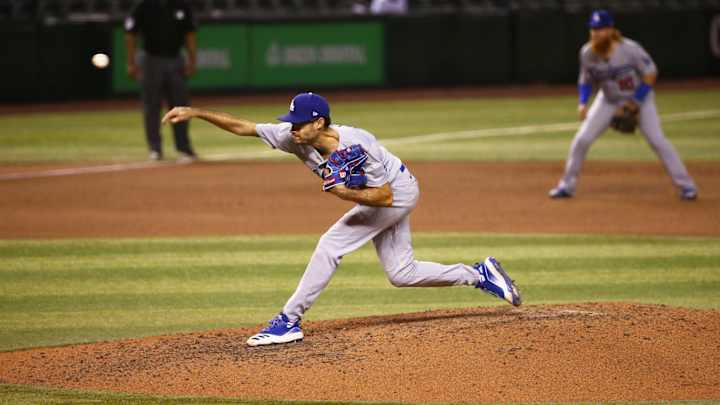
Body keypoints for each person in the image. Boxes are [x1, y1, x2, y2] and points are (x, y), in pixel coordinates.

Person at [162, 92, 522, 346]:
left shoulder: (357, 144)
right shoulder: (294, 138)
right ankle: (480, 274)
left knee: (330, 245)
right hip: (386, 195)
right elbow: (245, 127)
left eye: (299, 124)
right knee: (402, 273)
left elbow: (385, 197)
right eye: (290, 123)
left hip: (397, 192)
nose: (291, 129)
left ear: (319, 122)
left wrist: (343, 194)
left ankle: (289, 320)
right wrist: (196, 113)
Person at [549, 9, 698, 200]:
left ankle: (687, 186)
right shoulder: (587, 53)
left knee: (657, 141)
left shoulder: (629, 49)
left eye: (600, 29)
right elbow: (585, 81)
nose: (596, 33)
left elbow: (650, 73)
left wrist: (635, 102)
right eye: (593, 29)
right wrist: (583, 103)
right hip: (608, 100)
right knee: (581, 139)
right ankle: (566, 186)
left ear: (611, 30)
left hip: (640, 99)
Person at [124, 0, 198, 162]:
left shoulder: (181, 5)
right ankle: (155, 148)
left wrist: (192, 60)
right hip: (150, 59)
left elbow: (190, 33)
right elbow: (130, 33)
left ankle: (184, 148)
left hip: (176, 58)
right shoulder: (144, 5)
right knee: (151, 106)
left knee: (180, 106)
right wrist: (131, 62)